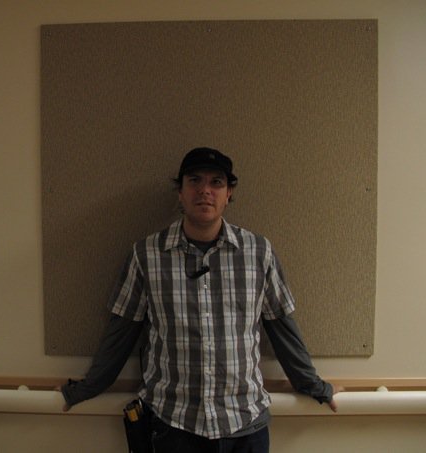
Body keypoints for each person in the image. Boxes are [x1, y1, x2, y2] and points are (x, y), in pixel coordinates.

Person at [60, 147, 338, 452]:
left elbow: (282, 328)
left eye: (216, 182)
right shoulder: (146, 255)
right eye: (194, 180)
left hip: (245, 424)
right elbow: (121, 333)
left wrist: (315, 386)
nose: (205, 190)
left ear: (229, 193)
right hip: (173, 425)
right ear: (180, 192)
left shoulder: (259, 253)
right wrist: (86, 388)